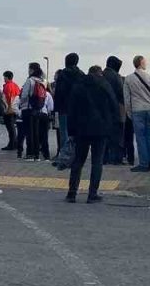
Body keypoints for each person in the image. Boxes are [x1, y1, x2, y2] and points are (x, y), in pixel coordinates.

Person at [65, 65, 118, 203]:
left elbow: (71, 109)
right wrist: (112, 126)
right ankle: (92, 194)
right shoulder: (104, 85)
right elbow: (114, 105)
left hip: (81, 129)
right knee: (97, 162)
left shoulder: (78, 86)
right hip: (100, 129)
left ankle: (72, 193)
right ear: (100, 73)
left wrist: (71, 131)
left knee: (78, 160)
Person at [124, 56, 150, 172]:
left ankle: (143, 163)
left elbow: (127, 98)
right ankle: (149, 162)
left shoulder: (128, 79)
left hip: (137, 110)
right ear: (141, 63)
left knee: (140, 138)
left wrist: (129, 112)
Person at [54, 53, 86, 164]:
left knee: (64, 133)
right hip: (78, 109)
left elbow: (59, 92)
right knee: (76, 133)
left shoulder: (63, 74)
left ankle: (64, 156)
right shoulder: (81, 74)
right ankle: (76, 155)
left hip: (64, 108)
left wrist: (56, 108)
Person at [19, 63, 52, 161]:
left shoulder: (30, 80)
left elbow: (24, 95)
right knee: (36, 133)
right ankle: (37, 155)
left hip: (28, 108)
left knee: (29, 133)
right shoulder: (42, 81)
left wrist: (21, 103)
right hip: (38, 109)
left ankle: (30, 154)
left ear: (32, 70)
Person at [102, 56, 127, 165]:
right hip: (116, 108)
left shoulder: (101, 75)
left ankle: (104, 157)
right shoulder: (116, 77)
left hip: (103, 110)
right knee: (117, 135)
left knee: (105, 135)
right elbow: (122, 93)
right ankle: (116, 158)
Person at [1, 71, 21, 151]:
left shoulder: (8, 86)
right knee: (12, 127)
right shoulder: (15, 85)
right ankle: (14, 143)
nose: (4, 79)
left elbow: (9, 97)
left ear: (6, 77)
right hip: (14, 109)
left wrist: (9, 108)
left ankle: (12, 144)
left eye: (4, 77)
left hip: (9, 109)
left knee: (10, 128)